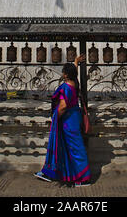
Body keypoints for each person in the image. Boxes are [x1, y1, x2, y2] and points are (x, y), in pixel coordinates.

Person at [34, 54, 91, 187]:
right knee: (66, 147)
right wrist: (75, 62)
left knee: (76, 149)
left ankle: (83, 178)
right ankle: (52, 172)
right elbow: (73, 74)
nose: (63, 73)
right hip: (74, 118)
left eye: (64, 72)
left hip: (67, 121)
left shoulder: (66, 87)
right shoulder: (74, 84)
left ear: (66, 75)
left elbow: (63, 106)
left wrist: (55, 118)